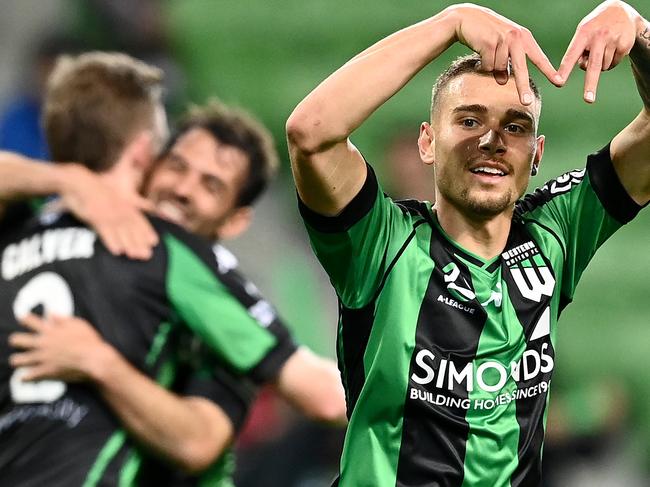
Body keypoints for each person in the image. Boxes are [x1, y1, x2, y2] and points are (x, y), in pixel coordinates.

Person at [286, 1, 650, 485]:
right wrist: (450, 23)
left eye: (515, 127)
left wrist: (638, 27)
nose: (492, 141)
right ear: (428, 142)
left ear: (536, 153)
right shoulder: (381, 243)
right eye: (469, 120)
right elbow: (310, 133)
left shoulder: (554, 232)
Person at [0, 52, 344, 487]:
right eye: (178, 166)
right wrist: (70, 180)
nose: (182, 189)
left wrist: (98, 362)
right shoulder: (159, 247)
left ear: (236, 220)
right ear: (149, 156)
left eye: (211, 185)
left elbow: (201, 442)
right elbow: (327, 397)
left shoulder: (20, 233)